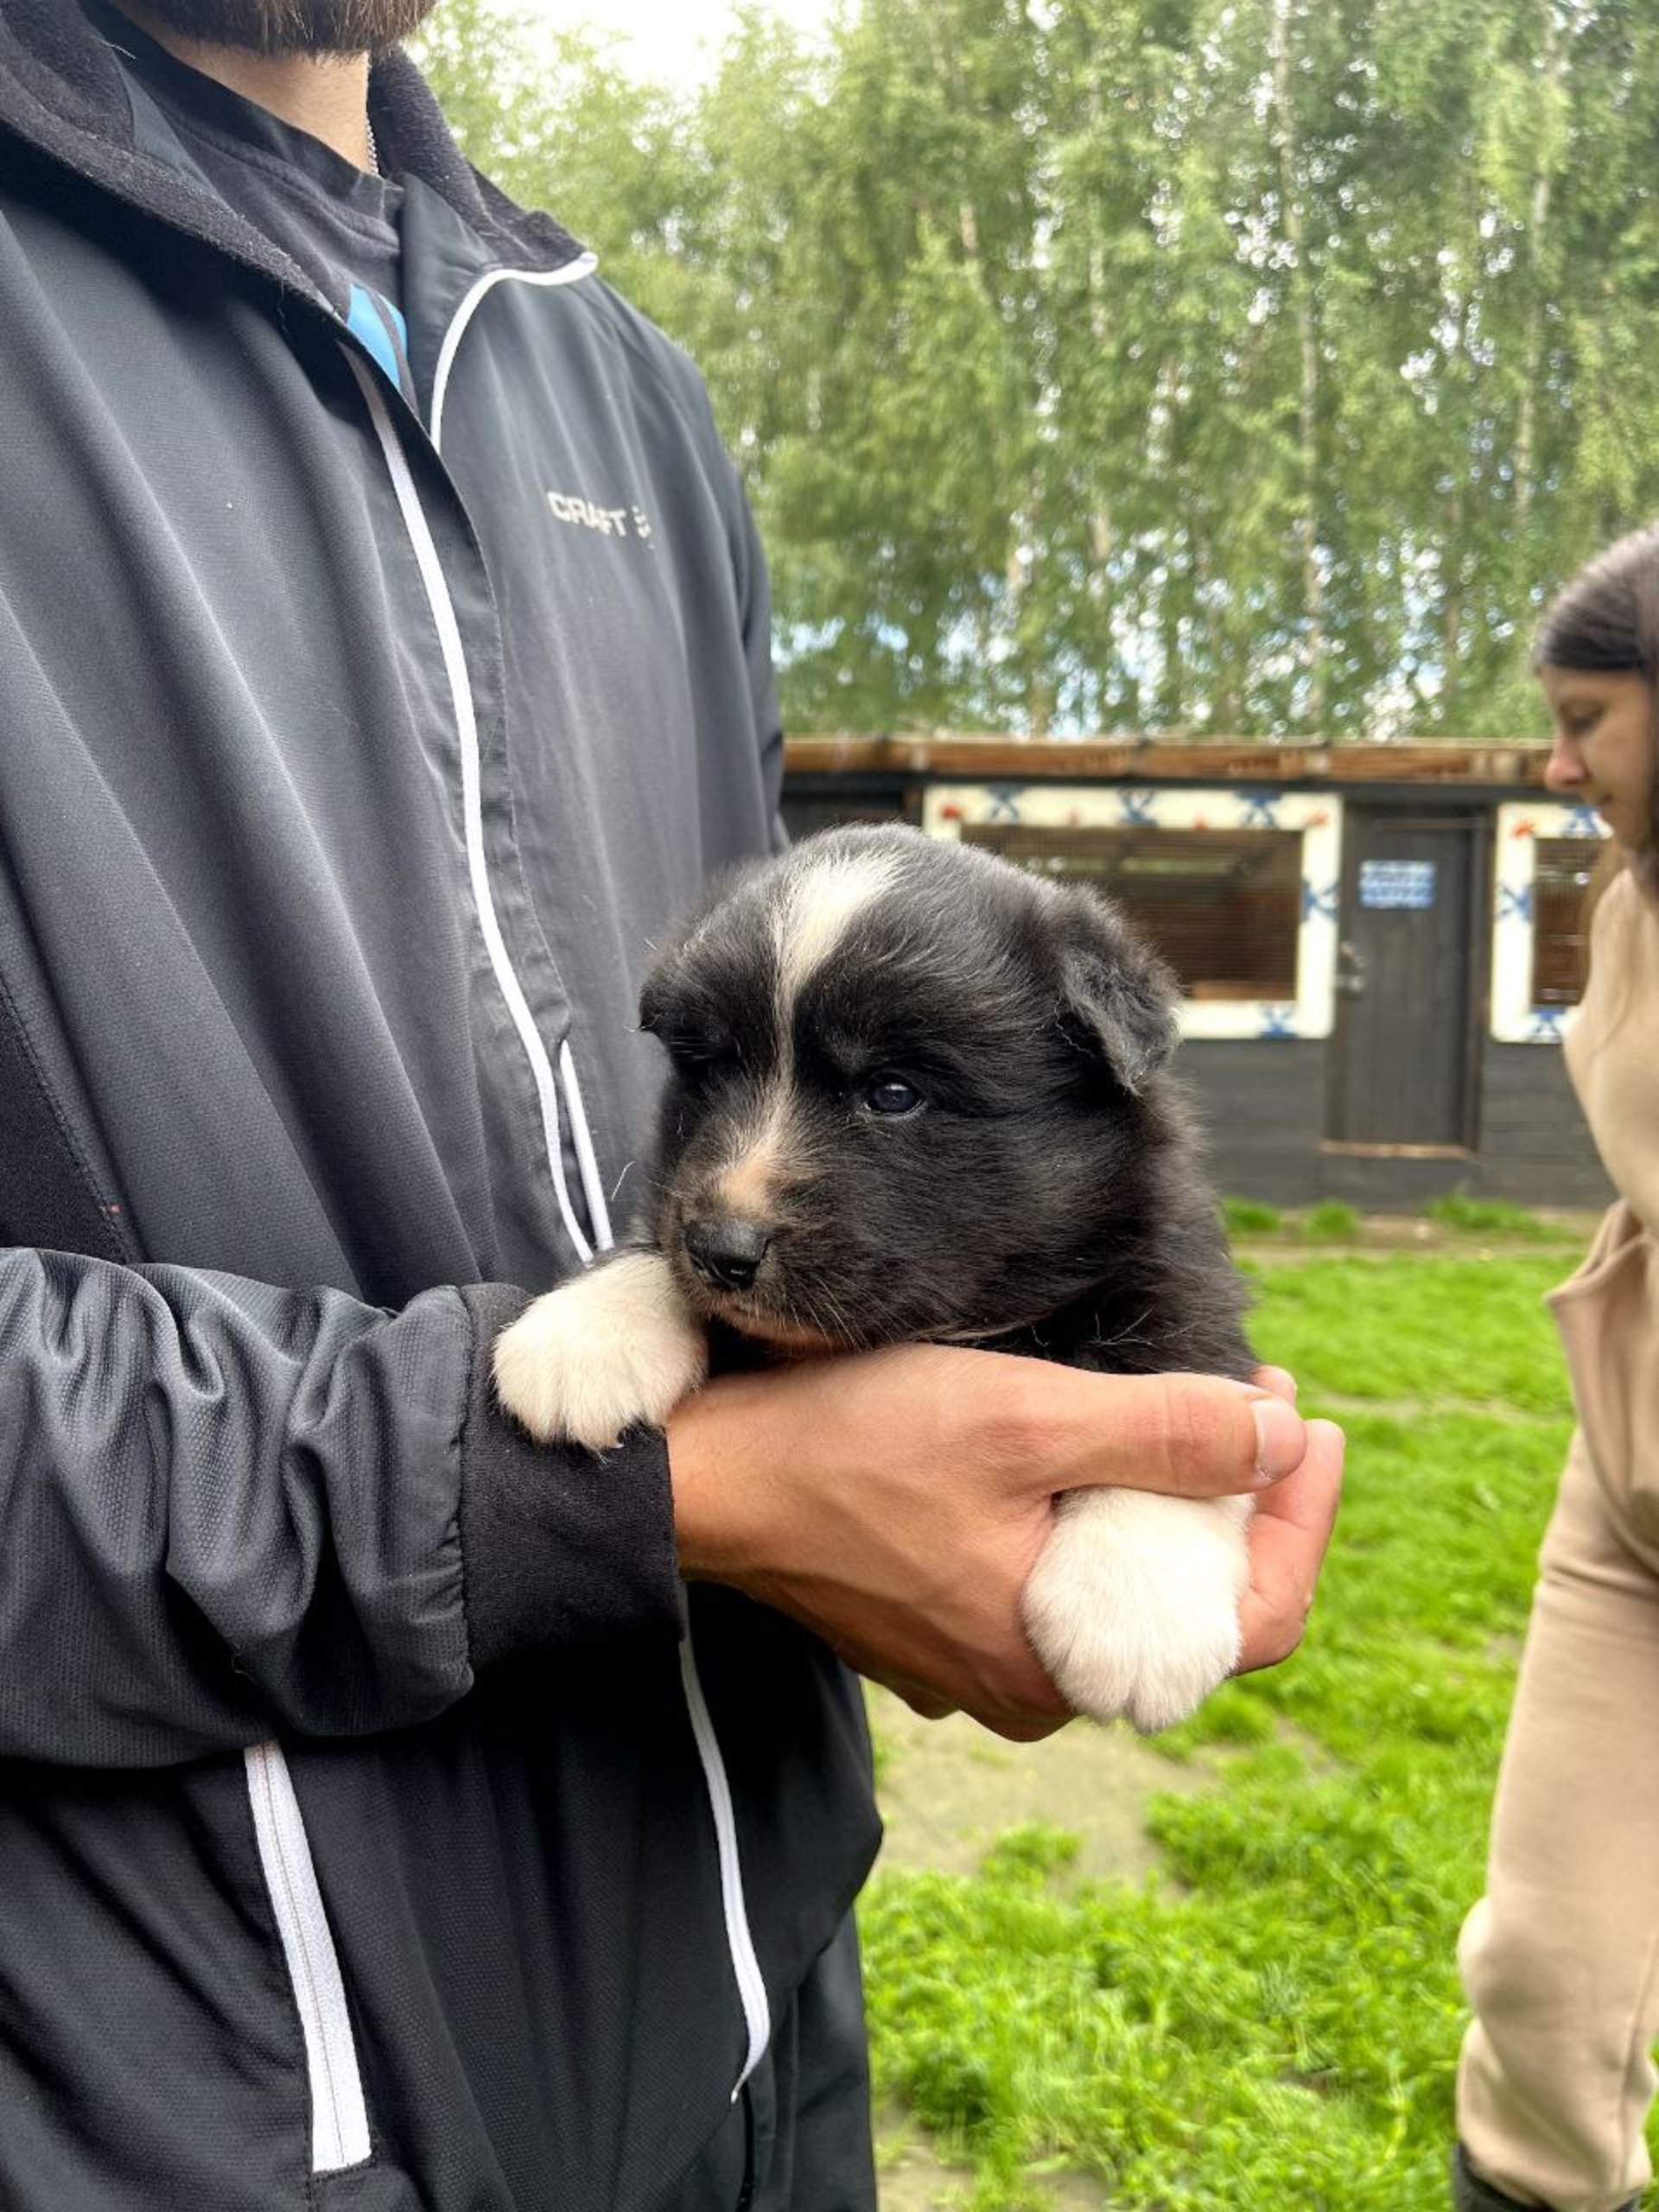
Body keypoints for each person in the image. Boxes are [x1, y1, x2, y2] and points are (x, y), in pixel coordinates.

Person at [0, 0, 1344, 2201]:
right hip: (190, 2101)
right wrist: (649, 1494)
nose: (733, 1177)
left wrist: (968, 1481)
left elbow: (770, 1038)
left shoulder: (609, 371)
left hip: (750, 2012)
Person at [1453, 525, 1659, 2212]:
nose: (1559, 757)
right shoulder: (1628, 897)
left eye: (1591, 716)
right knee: (1543, 1972)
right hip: (1636, 1500)